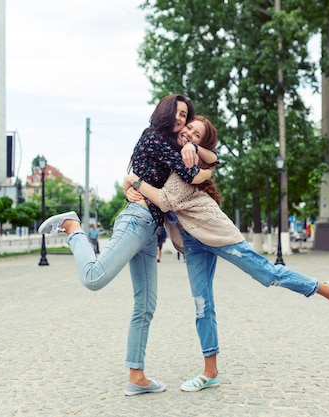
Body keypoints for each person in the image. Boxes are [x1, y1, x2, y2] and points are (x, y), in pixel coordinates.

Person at [124, 115, 329, 393]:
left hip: (217, 233)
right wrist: (129, 184)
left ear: (202, 144)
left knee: (267, 274)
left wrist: (135, 181)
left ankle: (328, 290)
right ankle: (210, 371)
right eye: (188, 128)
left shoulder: (193, 163)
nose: (188, 133)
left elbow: (164, 199)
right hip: (192, 240)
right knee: (202, 304)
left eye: (196, 134)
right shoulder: (174, 158)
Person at [38, 94, 217, 396]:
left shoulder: (175, 146)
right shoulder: (154, 137)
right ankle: (73, 227)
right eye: (176, 112)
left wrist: (192, 147)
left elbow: (207, 159)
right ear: (164, 112)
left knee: (145, 305)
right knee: (94, 277)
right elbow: (192, 174)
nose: (180, 119)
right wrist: (198, 161)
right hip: (137, 219)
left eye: (185, 115)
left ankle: (136, 376)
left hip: (150, 229)